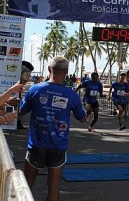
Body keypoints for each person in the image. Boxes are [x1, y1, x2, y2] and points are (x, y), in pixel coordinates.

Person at [18, 56, 87, 201]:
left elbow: (21, 112)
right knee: (54, 188)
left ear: (49, 69)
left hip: (36, 145)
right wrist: (87, 112)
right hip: (58, 146)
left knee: (25, 186)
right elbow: (82, 118)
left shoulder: (35, 89)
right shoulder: (71, 95)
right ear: (67, 72)